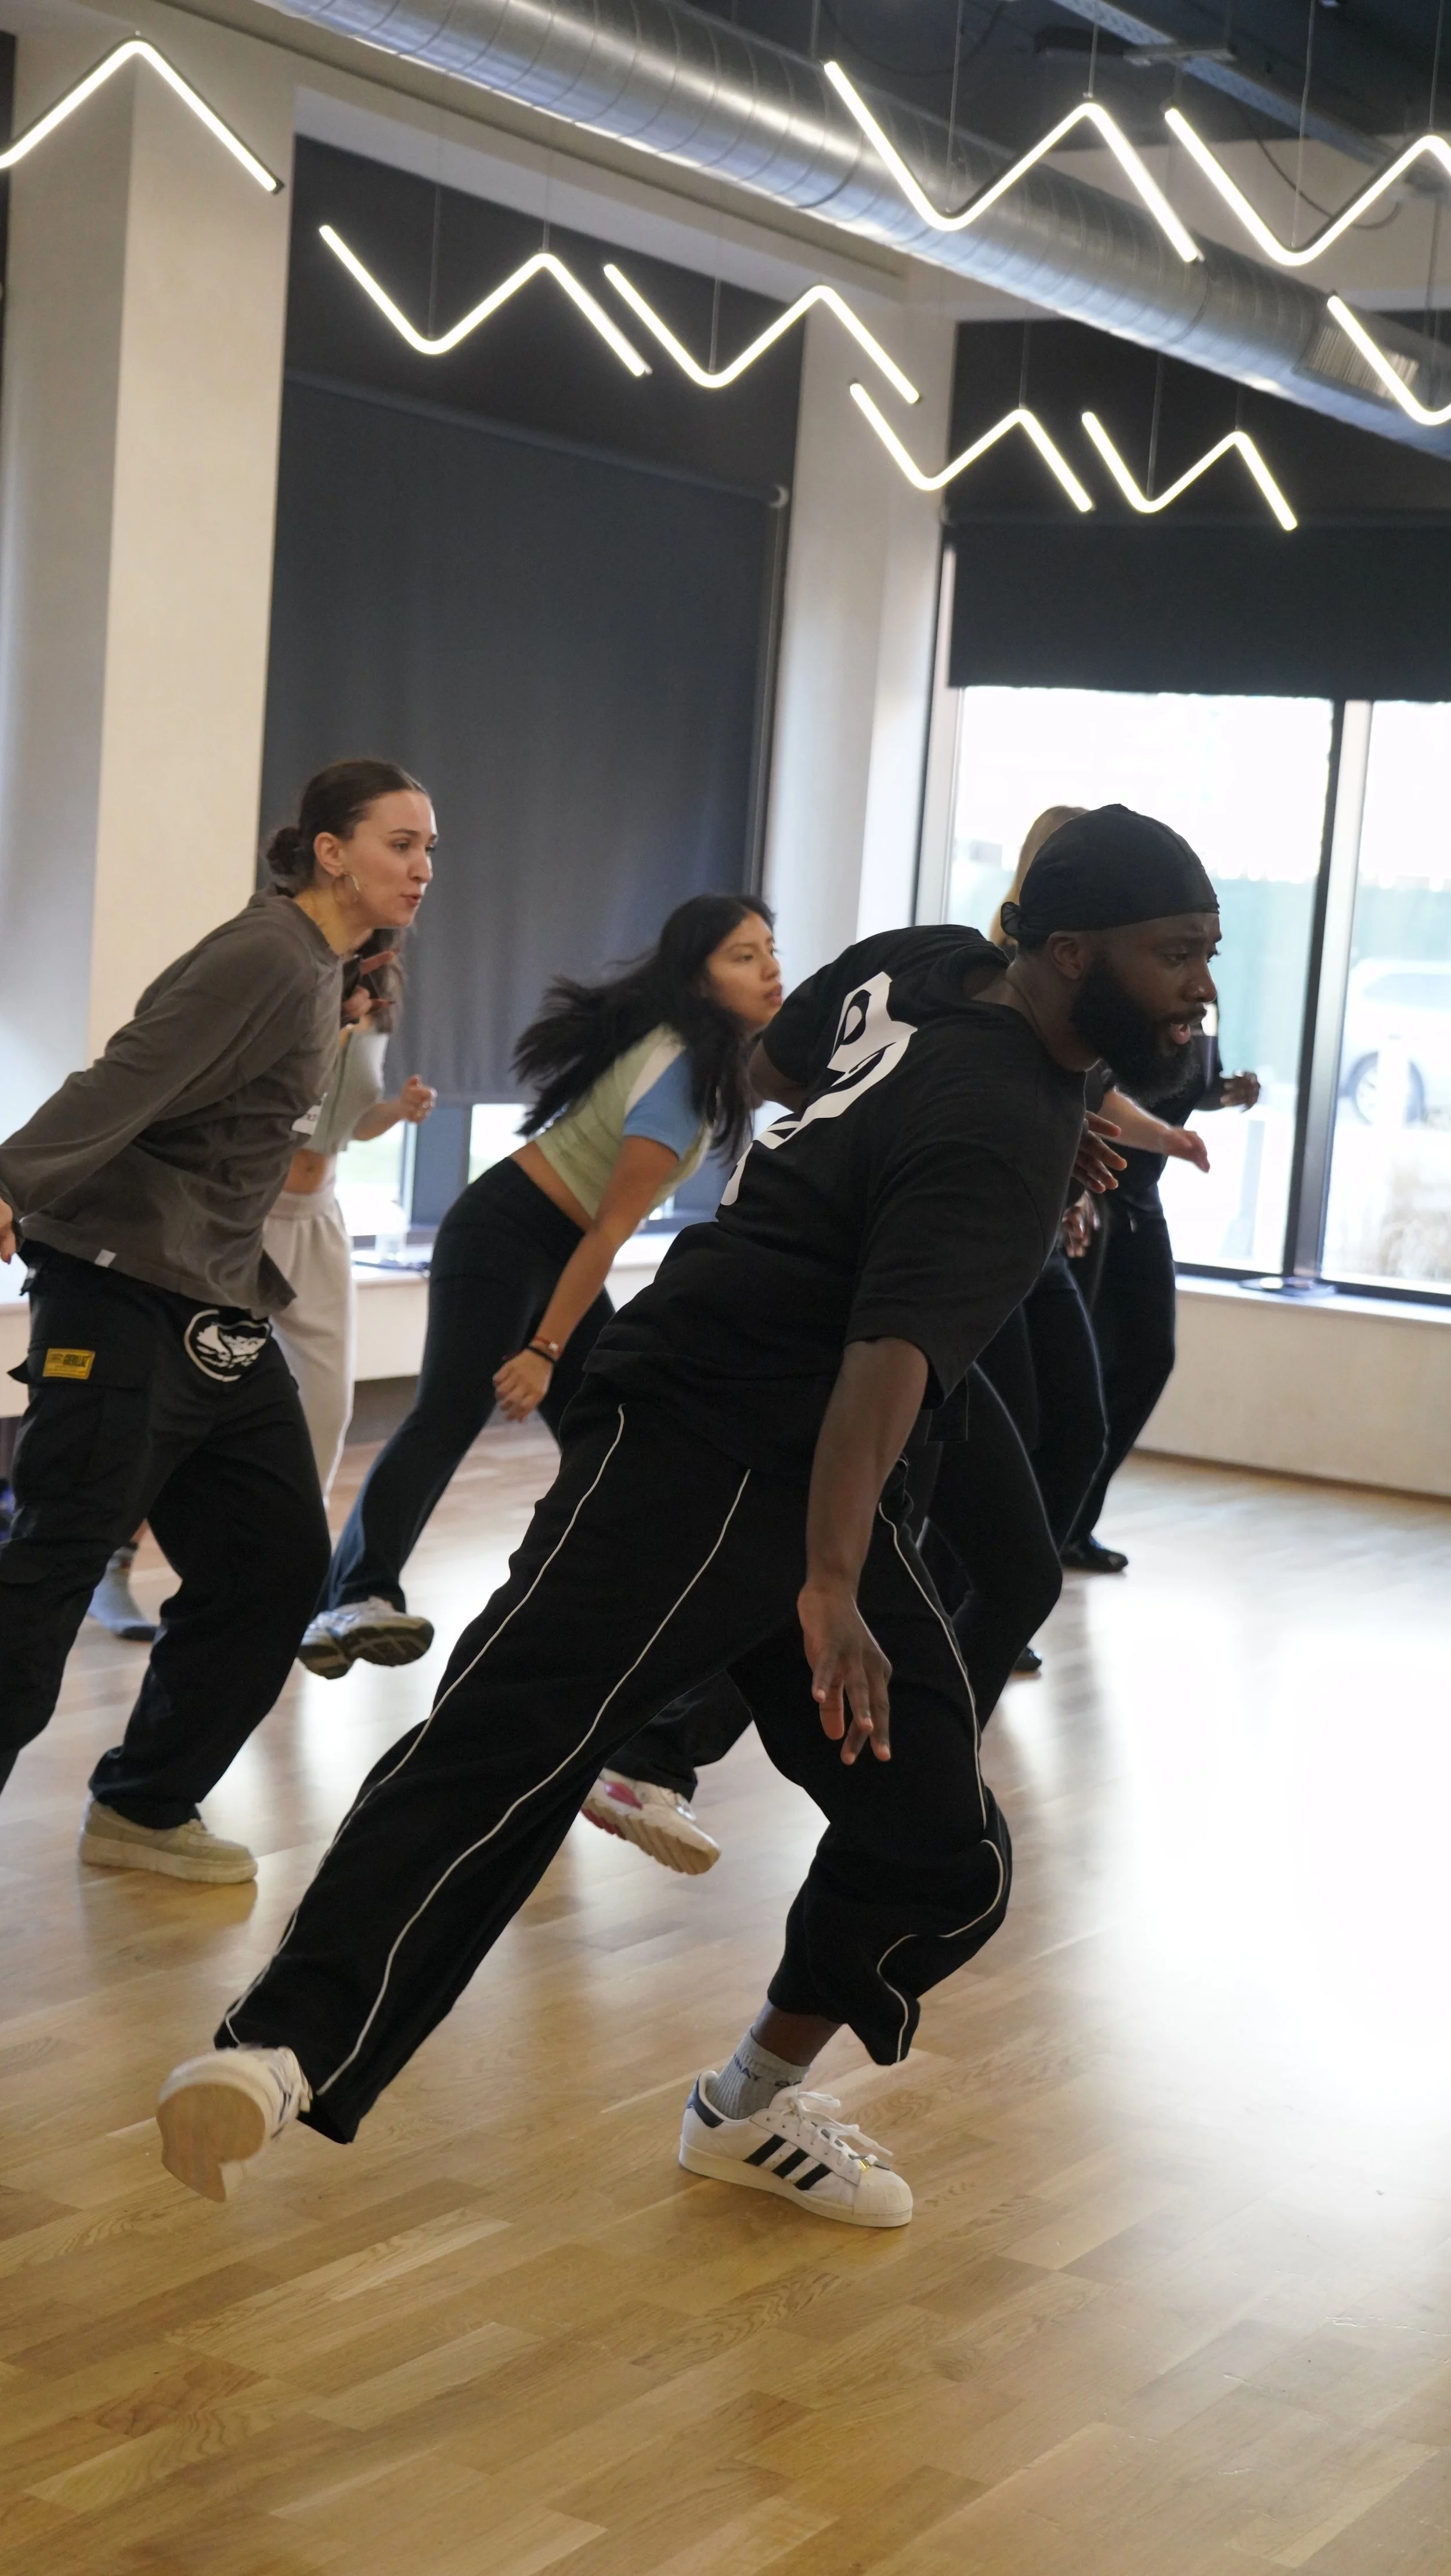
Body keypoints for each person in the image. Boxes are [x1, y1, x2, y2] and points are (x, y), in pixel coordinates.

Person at [156, 805, 1219, 2225]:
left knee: (935, 1844)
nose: (1199, 989)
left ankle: (746, 2106)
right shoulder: (1001, 1132)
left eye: (1208, 957)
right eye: (1174, 957)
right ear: (1074, 950)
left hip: (802, 1457)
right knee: (513, 1731)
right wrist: (833, 1583)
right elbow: (881, 1362)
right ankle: (283, 2046)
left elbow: (780, 1076)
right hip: (721, 1440)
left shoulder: (922, 963)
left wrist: (1011, 1124)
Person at [0, 759, 435, 1883]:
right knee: (53, 1564)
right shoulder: (263, 954)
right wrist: (9, 1182)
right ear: (330, 850)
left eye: (431, 849)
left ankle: (147, 1803)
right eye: (401, 843)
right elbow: (128, 1076)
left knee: (275, 1565)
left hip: (219, 1308)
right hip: (127, 1289)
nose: (423, 868)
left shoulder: (319, 969)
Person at [298, 896, 782, 1680]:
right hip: (506, 1230)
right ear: (698, 982)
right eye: (743, 955)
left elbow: (592, 1234)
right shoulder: (682, 1072)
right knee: (453, 1409)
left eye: (770, 949)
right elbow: (608, 1229)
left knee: (611, 1422)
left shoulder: (701, 1057)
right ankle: (356, 1594)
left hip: (555, 1244)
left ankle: (586, 1601)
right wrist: (544, 1348)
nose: (770, 968)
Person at [1060, 1031, 1260, 1572]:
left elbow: (1187, 1088)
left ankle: (1072, 1524)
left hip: (1140, 1198)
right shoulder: (1125, 1002)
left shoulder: (1201, 1006)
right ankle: (1037, 1539)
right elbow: (1094, 1093)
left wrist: (1226, 1093)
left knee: (1151, 1356)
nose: (1204, 980)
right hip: (1089, 1191)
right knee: (1070, 1377)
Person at [266, 943, 437, 1496]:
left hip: (319, 1219)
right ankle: (128, 1533)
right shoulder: (291, 1007)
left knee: (327, 1401)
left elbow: (355, 1122)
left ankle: (298, 1535)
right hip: (253, 1215)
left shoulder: (375, 1023)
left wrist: (399, 1110)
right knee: (196, 1384)